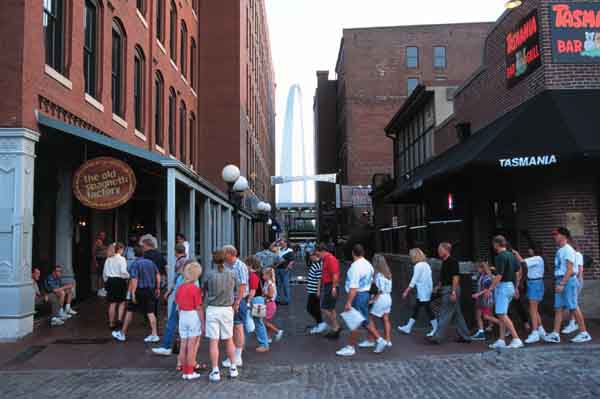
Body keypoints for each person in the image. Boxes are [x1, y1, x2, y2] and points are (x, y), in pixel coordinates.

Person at [336, 244, 388, 357]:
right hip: (365, 294)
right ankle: (379, 340)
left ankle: (351, 347)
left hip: (357, 295)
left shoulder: (355, 267)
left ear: (353, 253)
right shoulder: (368, 264)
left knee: (354, 321)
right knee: (364, 320)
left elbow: (353, 287)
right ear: (363, 253)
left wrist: (349, 302)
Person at [543, 228, 591, 344]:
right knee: (558, 308)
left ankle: (584, 333)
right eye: (553, 234)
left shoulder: (568, 250)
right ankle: (555, 334)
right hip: (562, 280)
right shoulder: (561, 250)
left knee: (573, 306)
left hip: (567, 281)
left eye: (556, 234)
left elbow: (569, 270)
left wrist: (562, 283)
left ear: (564, 236)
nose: (554, 236)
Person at [203, 250, 240, 382]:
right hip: (227, 309)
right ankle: (233, 368)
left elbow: (204, 290)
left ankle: (215, 370)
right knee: (229, 339)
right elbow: (237, 289)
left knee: (214, 341)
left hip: (213, 309)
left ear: (213, 260)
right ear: (225, 260)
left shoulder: (209, 273)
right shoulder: (232, 273)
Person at [112, 246, 161, 343]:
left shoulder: (135, 264)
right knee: (150, 312)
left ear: (134, 254)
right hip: (150, 290)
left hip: (139, 290)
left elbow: (134, 279)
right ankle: (154, 334)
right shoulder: (151, 262)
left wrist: (132, 293)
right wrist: (158, 288)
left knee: (130, 310)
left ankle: (122, 333)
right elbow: (157, 275)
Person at [428, 243, 471, 344]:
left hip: (450, 289)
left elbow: (455, 277)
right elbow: (445, 278)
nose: (438, 251)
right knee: (457, 315)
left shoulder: (452, 262)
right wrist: (438, 286)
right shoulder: (445, 262)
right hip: (447, 289)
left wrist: (453, 292)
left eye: (440, 249)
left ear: (446, 250)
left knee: (444, 313)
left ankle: (437, 337)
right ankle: (465, 336)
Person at [486, 236, 523, 349]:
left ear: (497, 244)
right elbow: (518, 272)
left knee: (502, 314)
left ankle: (516, 338)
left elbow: (499, 275)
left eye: (494, 244)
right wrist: (516, 287)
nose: (493, 246)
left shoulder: (500, 257)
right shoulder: (512, 255)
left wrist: (490, 289)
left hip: (503, 287)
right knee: (503, 314)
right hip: (511, 286)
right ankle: (501, 340)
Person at [152, 244, 189, 356]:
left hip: (179, 301)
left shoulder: (180, 272)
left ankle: (167, 346)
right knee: (180, 324)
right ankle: (181, 347)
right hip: (186, 302)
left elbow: (177, 283)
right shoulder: (189, 272)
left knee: (172, 322)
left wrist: (170, 291)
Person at [175, 261, 204, 380]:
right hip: (193, 316)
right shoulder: (196, 289)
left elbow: (177, 303)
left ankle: (183, 370)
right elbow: (199, 307)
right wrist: (203, 323)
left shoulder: (180, 287)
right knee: (192, 346)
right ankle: (189, 372)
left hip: (183, 315)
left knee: (183, 345)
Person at [398, 249, 436, 337]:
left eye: (411, 255)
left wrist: (406, 291)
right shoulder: (426, 265)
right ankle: (408, 327)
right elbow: (429, 279)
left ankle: (436, 327)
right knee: (418, 308)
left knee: (427, 309)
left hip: (423, 291)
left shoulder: (418, 266)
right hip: (426, 290)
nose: (410, 257)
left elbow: (414, 280)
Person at [222, 245, 248, 368]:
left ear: (230, 254)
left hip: (237, 300)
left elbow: (243, 285)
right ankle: (234, 355)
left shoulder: (240, 266)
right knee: (233, 327)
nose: (222, 256)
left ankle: (237, 356)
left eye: (224, 253)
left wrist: (237, 302)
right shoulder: (227, 265)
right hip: (229, 299)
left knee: (237, 326)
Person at [513, 245, 546, 344]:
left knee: (533, 310)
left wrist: (517, 254)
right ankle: (540, 329)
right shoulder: (536, 259)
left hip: (534, 284)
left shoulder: (537, 258)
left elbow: (523, 263)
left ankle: (535, 332)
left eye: (530, 248)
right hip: (534, 283)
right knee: (534, 309)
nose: (528, 249)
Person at [360, 254, 392, 347]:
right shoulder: (388, 274)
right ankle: (388, 340)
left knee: (370, 318)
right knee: (386, 319)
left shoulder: (378, 275)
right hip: (388, 298)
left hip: (381, 298)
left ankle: (371, 340)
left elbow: (379, 291)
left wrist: (372, 300)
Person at [315, 243, 341, 338]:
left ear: (322, 251)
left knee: (324, 308)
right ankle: (335, 328)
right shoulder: (326, 259)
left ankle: (336, 326)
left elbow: (335, 274)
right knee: (331, 308)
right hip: (328, 285)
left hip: (331, 285)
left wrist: (334, 287)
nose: (317, 255)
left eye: (318, 253)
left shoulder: (330, 259)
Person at [245, 256, 270, 353]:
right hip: (259, 300)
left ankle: (264, 344)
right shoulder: (258, 274)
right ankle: (264, 343)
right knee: (259, 322)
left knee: (258, 322)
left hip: (256, 300)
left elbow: (252, 291)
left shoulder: (252, 275)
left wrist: (247, 301)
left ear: (250, 265)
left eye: (246, 265)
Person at [469, 262, 500, 341]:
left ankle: (504, 325)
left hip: (486, 300)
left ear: (483, 269)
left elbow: (487, 289)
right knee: (478, 315)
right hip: (480, 300)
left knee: (486, 316)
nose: (477, 269)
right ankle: (481, 332)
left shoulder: (487, 278)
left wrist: (477, 294)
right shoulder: (482, 276)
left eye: (479, 268)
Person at [103, 243, 130, 330]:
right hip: (119, 281)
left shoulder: (108, 259)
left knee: (112, 303)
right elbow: (123, 271)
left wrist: (106, 282)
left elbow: (104, 273)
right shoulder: (122, 259)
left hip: (110, 281)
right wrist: (128, 276)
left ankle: (111, 323)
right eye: (123, 250)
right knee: (122, 302)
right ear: (120, 249)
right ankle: (119, 320)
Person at [562, 245, 584, 335]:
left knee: (573, 303)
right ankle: (572, 323)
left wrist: (577, 281)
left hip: (576, 279)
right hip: (575, 279)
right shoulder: (575, 254)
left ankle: (573, 323)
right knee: (572, 303)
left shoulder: (577, 255)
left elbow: (580, 269)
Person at [262, 267, 284, 343]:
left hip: (269, 304)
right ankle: (268, 338)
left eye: (264, 275)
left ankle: (278, 331)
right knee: (266, 322)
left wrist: (264, 294)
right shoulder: (267, 283)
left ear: (268, 275)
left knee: (264, 322)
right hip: (268, 304)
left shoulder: (270, 284)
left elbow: (270, 295)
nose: (262, 276)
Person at [306, 250, 325, 334]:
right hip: (312, 290)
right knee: (314, 308)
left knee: (311, 308)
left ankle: (320, 323)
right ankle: (320, 324)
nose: (309, 257)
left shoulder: (318, 265)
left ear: (314, 256)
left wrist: (318, 291)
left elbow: (319, 279)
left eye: (310, 256)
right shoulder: (315, 264)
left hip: (314, 291)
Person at [275, 240, 294, 305]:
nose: (280, 244)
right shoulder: (278, 249)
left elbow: (291, 261)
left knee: (286, 285)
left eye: (282, 243)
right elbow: (270, 248)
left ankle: (287, 300)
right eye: (280, 243)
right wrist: (275, 242)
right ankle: (277, 299)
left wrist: (288, 268)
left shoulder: (289, 251)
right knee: (278, 285)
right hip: (278, 269)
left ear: (286, 243)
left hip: (284, 269)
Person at [93, 231, 108, 297]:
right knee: (99, 276)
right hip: (99, 260)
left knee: (103, 275)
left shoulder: (103, 242)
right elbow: (93, 253)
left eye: (104, 235)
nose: (103, 236)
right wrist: (95, 262)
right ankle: (99, 290)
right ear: (99, 235)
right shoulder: (97, 242)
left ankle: (102, 289)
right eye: (102, 235)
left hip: (104, 260)